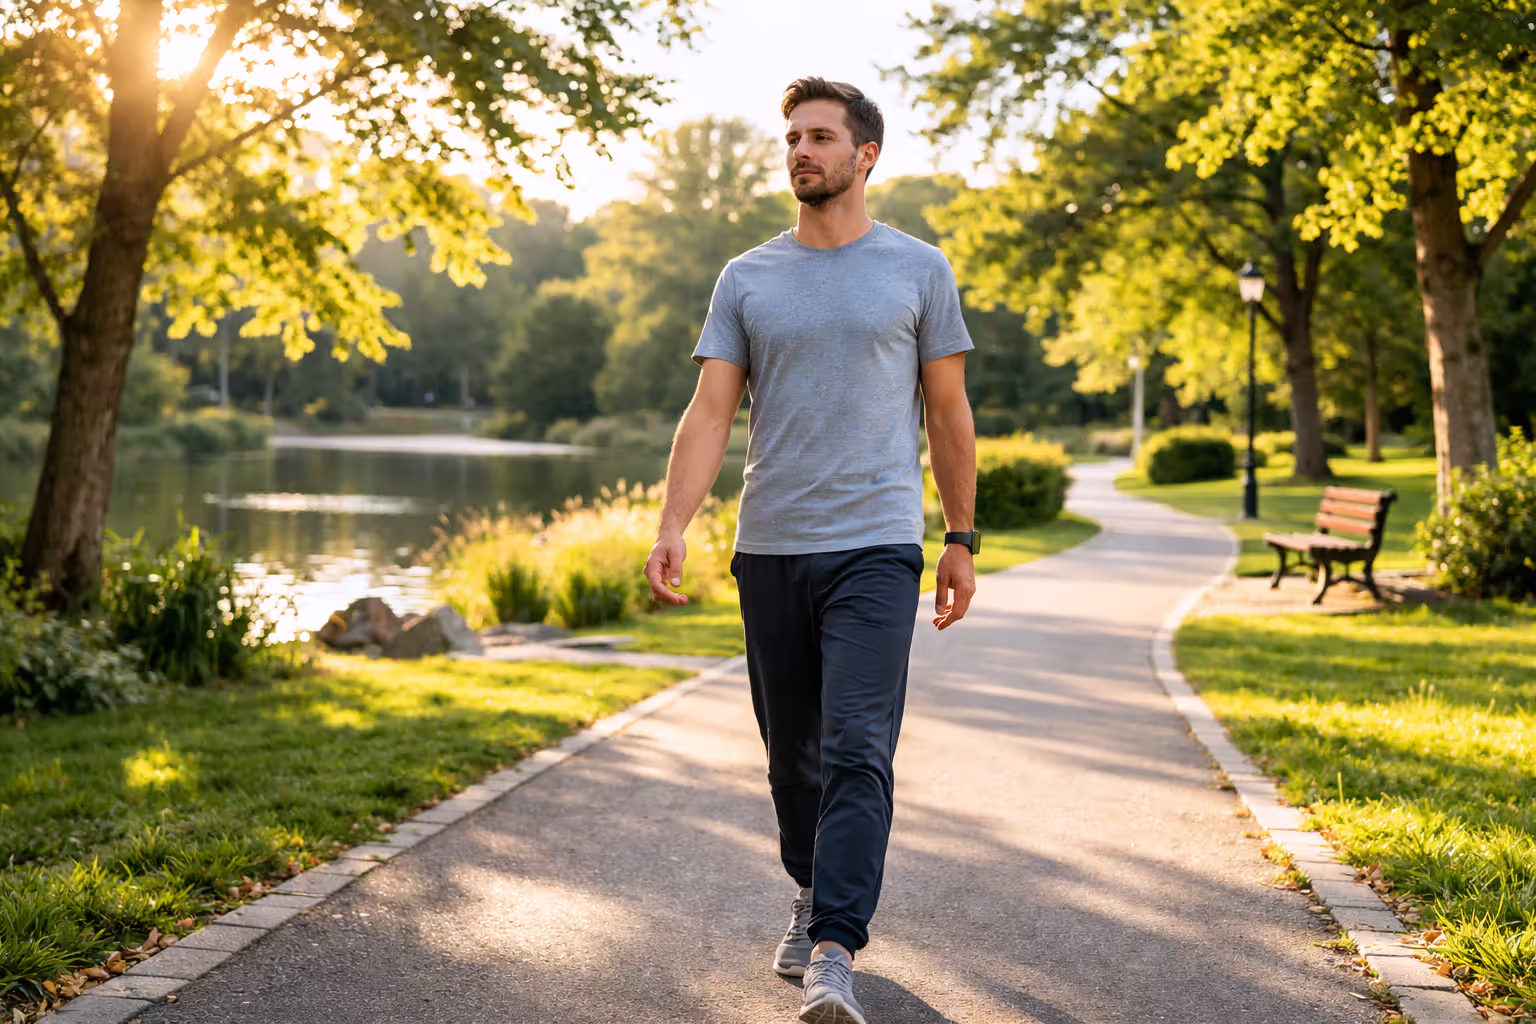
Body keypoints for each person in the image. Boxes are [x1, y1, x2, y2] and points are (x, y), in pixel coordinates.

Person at [643, 76, 978, 1024]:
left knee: (858, 744)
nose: (801, 150)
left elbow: (949, 412)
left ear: (866, 155)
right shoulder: (747, 278)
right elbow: (711, 413)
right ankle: (809, 886)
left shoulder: (919, 269)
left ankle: (835, 946)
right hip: (772, 548)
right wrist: (673, 525)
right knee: (792, 757)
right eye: (793, 136)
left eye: (821, 136)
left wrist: (959, 538)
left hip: (878, 545)